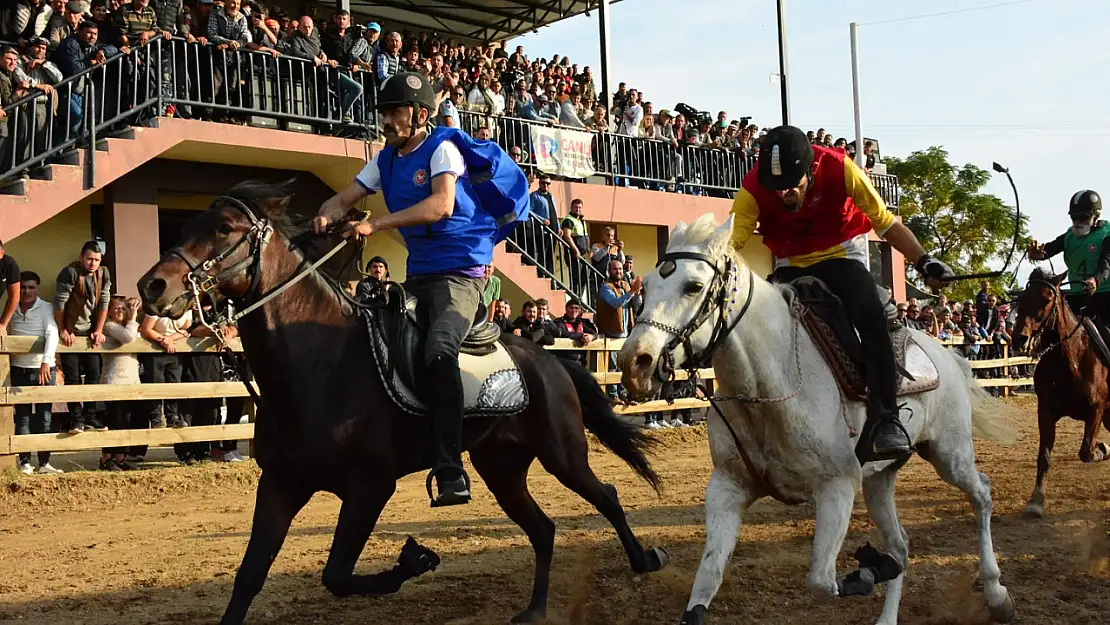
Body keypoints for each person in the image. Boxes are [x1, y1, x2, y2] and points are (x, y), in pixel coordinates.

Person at [311, 71, 527, 507]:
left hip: (461, 274)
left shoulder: (442, 148)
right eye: (384, 113)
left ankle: (450, 468)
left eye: (395, 112)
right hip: (419, 272)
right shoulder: (384, 159)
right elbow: (345, 197)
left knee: (438, 350)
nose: (387, 120)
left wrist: (374, 224)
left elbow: (440, 206)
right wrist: (325, 213)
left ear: (420, 115)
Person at [729, 125, 954, 462]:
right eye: (778, 189)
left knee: (870, 314)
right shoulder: (752, 190)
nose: (786, 193)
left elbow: (885, 222)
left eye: (794, 185)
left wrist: (924, 260)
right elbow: (730, 241)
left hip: (843, 252)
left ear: (810, 169)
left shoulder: (841, 167)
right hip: (790, 260)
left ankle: (886, 417)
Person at [1028, 190, 1110, 321]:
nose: (1077, 222)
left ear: (1096, 216)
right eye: (1073, 217)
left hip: (1104, 297)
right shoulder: (1069, 236)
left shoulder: (1107, 234)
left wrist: (1094, 280)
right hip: (1076, 296)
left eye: (1083, 217)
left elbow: (1105, 267)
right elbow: (1048, 250)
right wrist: (1037, 254)